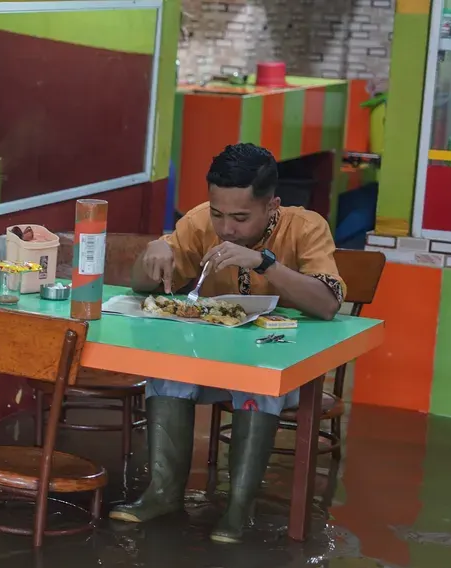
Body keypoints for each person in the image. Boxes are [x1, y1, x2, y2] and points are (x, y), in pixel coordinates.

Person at [110, 143, 346, 544]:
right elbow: (138, 286)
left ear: (272, 206)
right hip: (212, 367)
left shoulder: (306, 228)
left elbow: (327, 304)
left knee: (260, 380)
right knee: (168, 371)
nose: (226, 228)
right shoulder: (200, 223)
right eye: (218, 213)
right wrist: (152, 253)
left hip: (287, 371)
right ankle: (164, 494)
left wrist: (266, 263)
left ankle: (239, 507)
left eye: (240, 217)